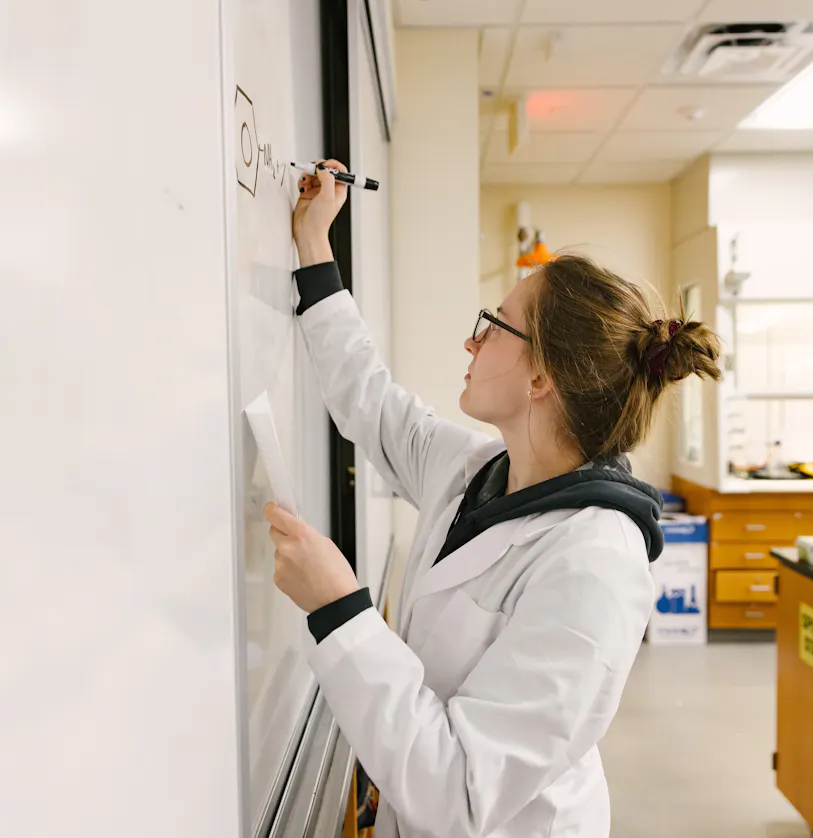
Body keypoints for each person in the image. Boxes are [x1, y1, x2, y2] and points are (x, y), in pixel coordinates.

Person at [265, 160, 721, 838]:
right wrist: (314, 247)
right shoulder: (481, 471)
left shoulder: (595, 566)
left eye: (495, 323)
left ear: (543, 374)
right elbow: (372, 402)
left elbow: (462, 794)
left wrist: (340, 610)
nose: (472, 341)